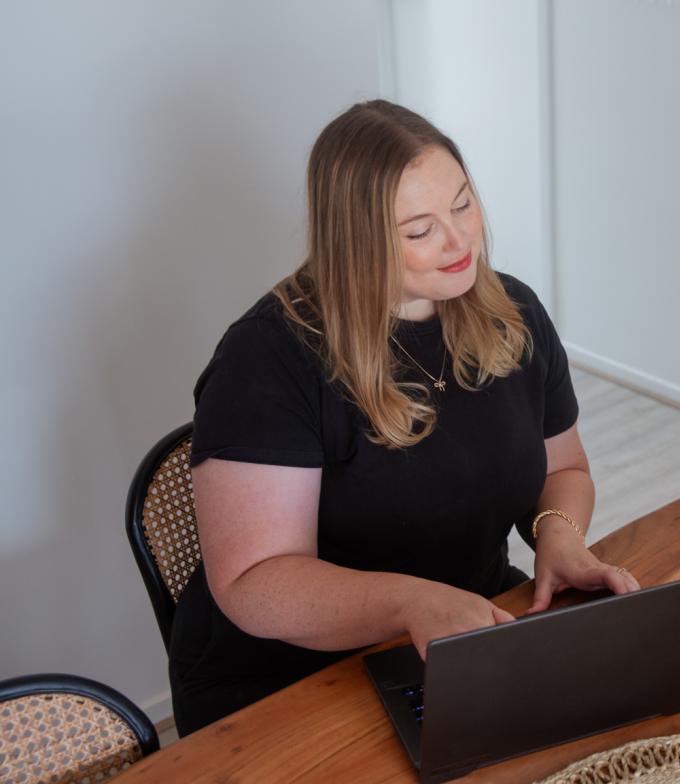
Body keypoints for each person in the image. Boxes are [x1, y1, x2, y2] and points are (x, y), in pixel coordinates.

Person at [169, 100, 638, 735]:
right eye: (419, 231)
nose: (460, 240)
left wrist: (559, 536)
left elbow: (565, 467)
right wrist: (412, 603)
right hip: (288, 675)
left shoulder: (512, 312)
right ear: (354, 240)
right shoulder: (270, 357)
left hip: (466, 624)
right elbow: (254, 582)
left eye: (463, 204)